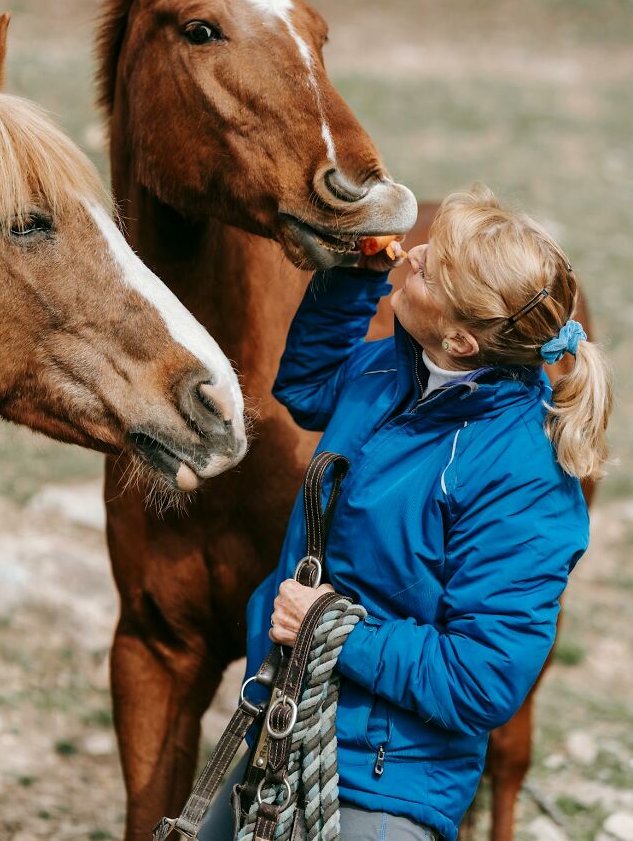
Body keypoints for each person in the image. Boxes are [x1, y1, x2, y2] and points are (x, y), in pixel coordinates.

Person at [202, 186, 612, 841]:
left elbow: (481, 678)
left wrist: (331, 630)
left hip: (387, 782)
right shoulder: (395, 373)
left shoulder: (523, 481)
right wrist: (352, 280)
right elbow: (306, 389)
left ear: (461, 338)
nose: (412, 253)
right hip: (289, 725)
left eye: (433, 266)